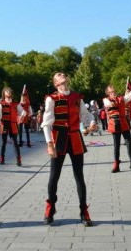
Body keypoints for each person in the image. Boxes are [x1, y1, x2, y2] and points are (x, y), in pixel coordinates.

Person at [42, 72, 97, 227]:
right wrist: (49, 144)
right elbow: (46, 123)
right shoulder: (51, 99)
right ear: (56, 84)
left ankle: (84, 211)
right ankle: (50, 207)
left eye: (63, 74)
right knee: (54, 176)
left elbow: (86, 115)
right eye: (59, 75)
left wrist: (91, 123)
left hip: (75, 137)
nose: (63, 75)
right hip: (58, 138)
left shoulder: (77, 97)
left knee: (79, 176)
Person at [103, 81, 131, 173]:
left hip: (124, 123)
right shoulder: (106, 99)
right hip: (114, 124)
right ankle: (116, 165)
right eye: (111, 91)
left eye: (113, 91)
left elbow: (130, 96)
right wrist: (112, 103)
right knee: (116, 145)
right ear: (108, 92)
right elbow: (108, 104)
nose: (113, 92)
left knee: (129, 144)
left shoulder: (121, 98)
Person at [0, 87, 23, 166]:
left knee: (15, 142)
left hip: (13, 124)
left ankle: (19, 159)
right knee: (3, 142)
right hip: (4, 124)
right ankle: (2, 158)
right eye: (7, 91)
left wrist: (22, 116)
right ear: (4, 93)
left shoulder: (16, 104)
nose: (9, 92)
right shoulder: (0, 104)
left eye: (10, 91)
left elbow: (22, 112)